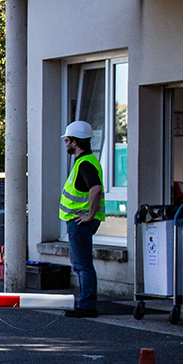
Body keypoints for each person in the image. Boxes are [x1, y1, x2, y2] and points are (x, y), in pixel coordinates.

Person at [60, 121, 104, 317]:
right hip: (79, 222)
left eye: (67, 140)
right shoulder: (85, 162)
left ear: (75, 142)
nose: (66, 144)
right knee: (82, 263)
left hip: (79, 222)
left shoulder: (84, 164)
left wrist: (89, 216)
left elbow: (96, 189)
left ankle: (87, 305)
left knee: (82, 264)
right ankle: (86, 303)